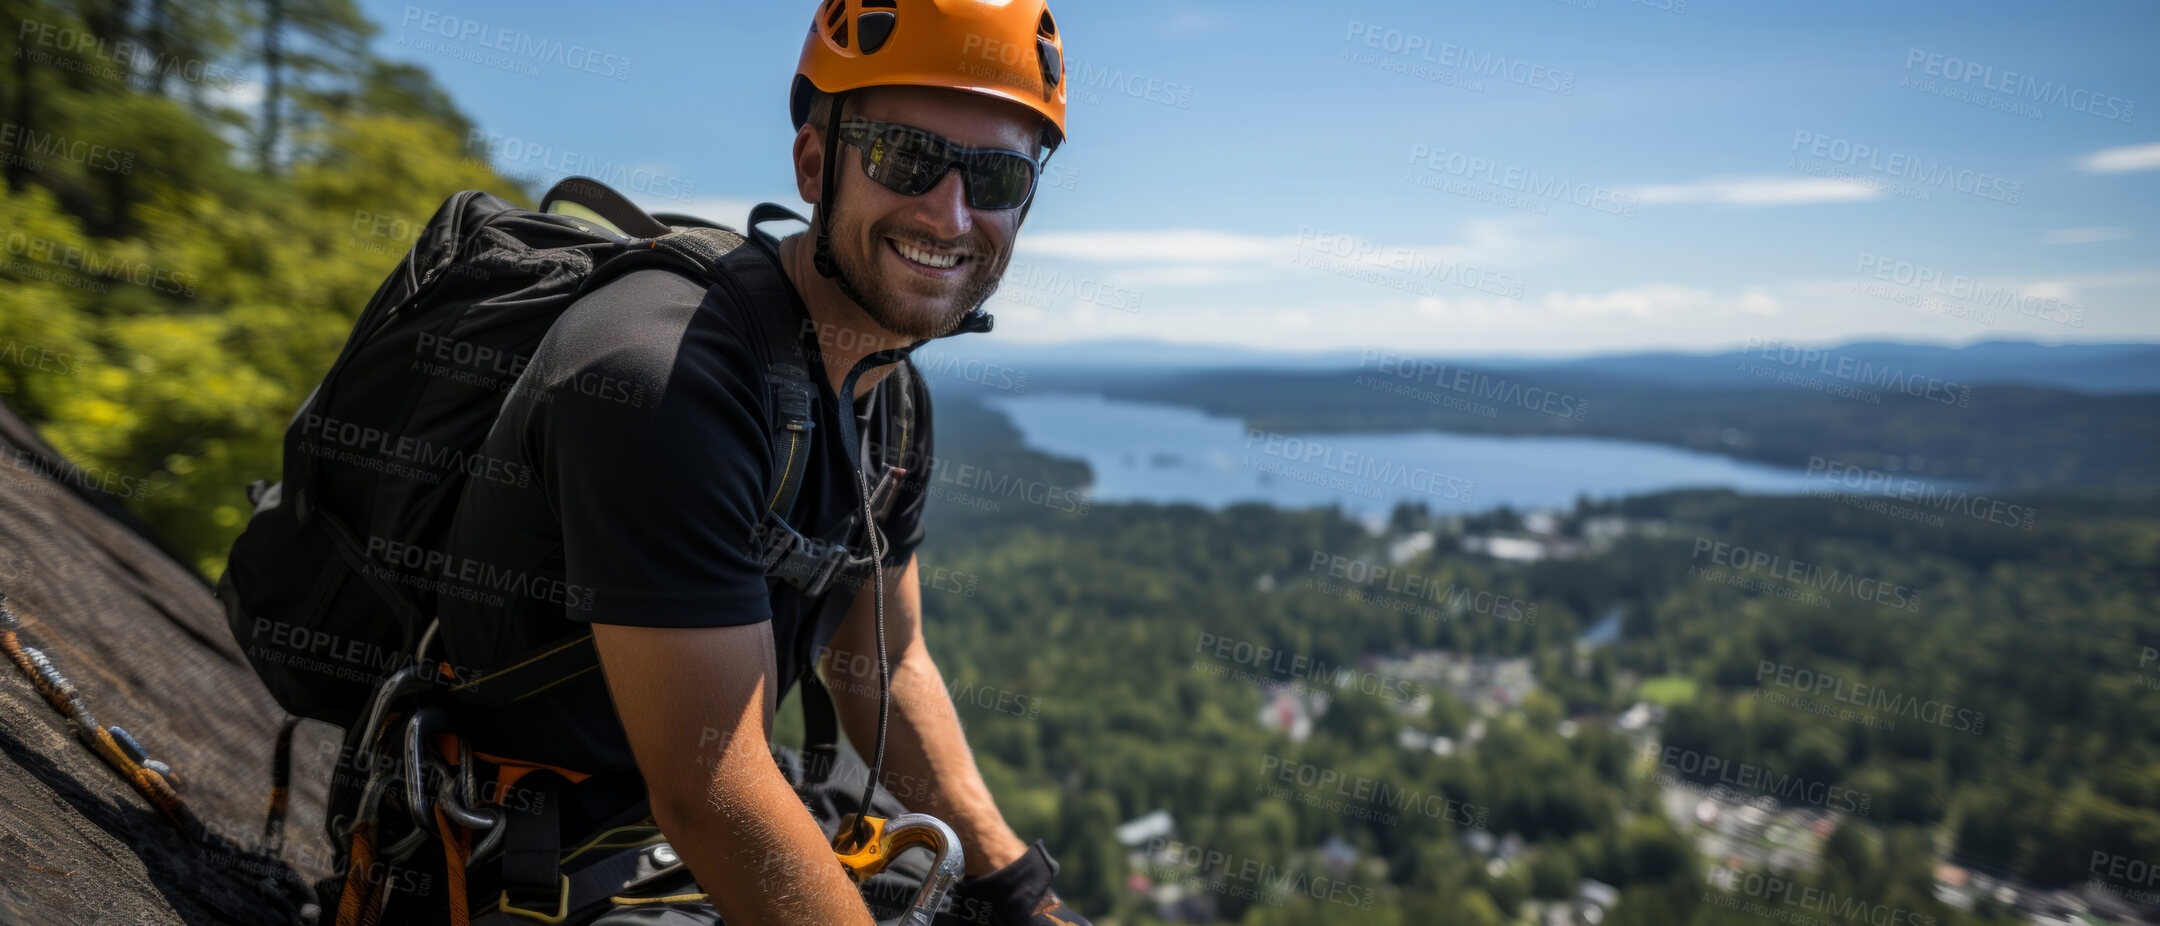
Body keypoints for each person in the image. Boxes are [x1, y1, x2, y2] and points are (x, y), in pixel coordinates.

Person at [425, 1, 1087, 923]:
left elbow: (883, 668)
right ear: (816, 165)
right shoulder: (659, 377)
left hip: (658, 849)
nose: (950, 210)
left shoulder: (889, 398)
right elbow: (713, 794)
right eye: (905, 156)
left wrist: (1021, 894)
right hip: (526, 866)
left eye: (997, 174)